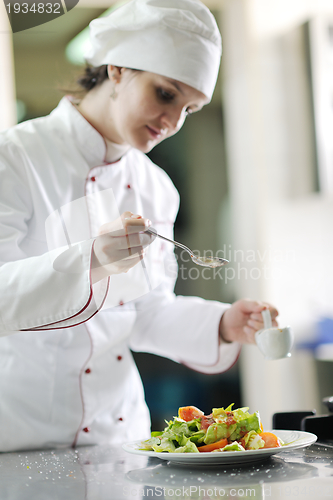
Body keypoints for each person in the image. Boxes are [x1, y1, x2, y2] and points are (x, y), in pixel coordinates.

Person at [0, 0, 278, 452]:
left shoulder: (156, 188)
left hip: (119, 437)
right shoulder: (15, 158)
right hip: (20, 438)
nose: (171, 123)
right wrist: (91, 259)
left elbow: (146, 313)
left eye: (189, 109)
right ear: (117, 69)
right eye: (166, 94)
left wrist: (223, 323)